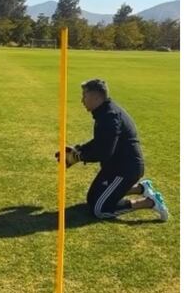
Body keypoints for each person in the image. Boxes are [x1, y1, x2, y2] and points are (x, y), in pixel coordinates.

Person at [56, 79, 168, 221]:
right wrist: (78, 150)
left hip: (125, 170)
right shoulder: (104, 112)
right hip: (113, 167)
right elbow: (100, 141)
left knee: (100, 209)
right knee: (92, 199)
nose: (82, 100)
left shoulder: (110, 116)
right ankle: (141, 188)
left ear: (96, 97)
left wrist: (79, 157)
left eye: (84, 95)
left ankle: (150, 202)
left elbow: (104, 152)